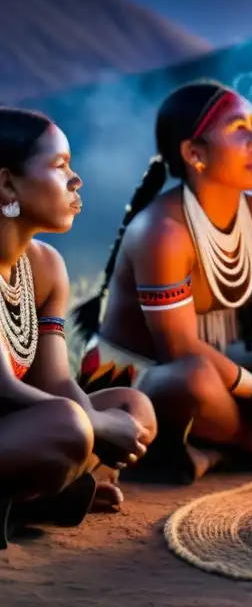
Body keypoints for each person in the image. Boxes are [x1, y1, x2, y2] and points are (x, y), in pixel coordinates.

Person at [72, 81, 252, 483]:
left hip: (215, 375)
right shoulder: (162, 231)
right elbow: (178, 350)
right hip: (140, 381)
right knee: (192, 378)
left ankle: (208, 451)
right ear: (195, 154)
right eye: (237, 128)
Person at [0, 107, 154, 547]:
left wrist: (101, 420)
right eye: (59, 165)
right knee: (70, 426)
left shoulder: (46, 265)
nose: (76, 180)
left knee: (131, 406)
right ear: (7, 184)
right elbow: (3, 386)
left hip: (15, 426)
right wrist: (94, 426)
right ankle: (43, 492)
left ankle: (33, 496)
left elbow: (55, 380)